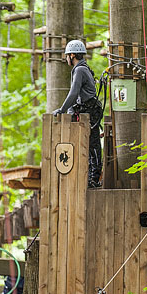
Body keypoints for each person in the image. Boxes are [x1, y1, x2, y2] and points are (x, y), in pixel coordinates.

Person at [53, 39, 103, 189]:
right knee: (90, 144)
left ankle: (94, 178)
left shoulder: (80, 70)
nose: (66, 58)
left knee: (92, 144)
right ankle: (91, 177)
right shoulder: (82, 68)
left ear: (72, 55)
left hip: (90, 111)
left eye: (67, 55)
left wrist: (61, 109)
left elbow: (74, 93)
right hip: (87, 110)